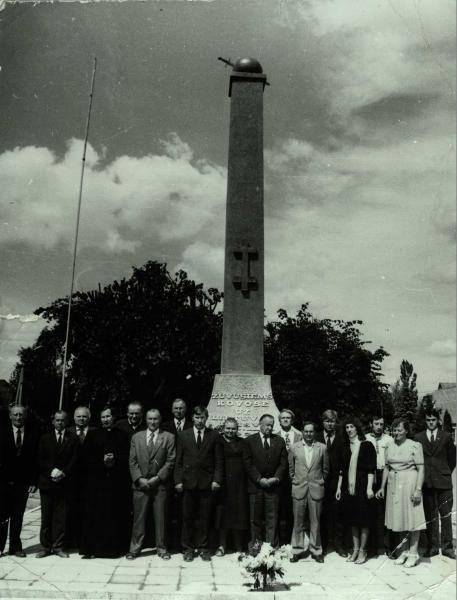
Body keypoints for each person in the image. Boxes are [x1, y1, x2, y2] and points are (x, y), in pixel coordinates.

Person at [78, 406, 130, 558]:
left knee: (113, 516)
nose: (106, 420)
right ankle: (92, 550)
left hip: (115, 482)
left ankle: (112, 550)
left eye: (108, 417)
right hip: (97, 482)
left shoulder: (122, 435)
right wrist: (102, 461)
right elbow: (85, 457)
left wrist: (114, 460)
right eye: (103, 417)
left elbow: (127, 456)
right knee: (95, 516)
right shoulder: (93, 434)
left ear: (113, 418)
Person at [174, 405, 223, 561]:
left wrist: (216, 480)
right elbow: (178, 462)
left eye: (202, 417)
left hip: (207, 483)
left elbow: (218, 461)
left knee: (205, 517)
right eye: (197, 417)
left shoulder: (214, 435)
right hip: (188, 483)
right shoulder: (183, 435)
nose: (200, 420)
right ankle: (187, 548)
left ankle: (203, 548)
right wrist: (178, 481)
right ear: (192, 418)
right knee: (187, 517)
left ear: (206, 418)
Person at [376, 418, 426, 568]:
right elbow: (386, 467)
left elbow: (421, 469)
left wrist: (418, 489)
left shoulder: (414, 446)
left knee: (413, 518)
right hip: (393, 485)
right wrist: (382, 487)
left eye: (399, 429)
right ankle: (403, 551)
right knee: (399, 518)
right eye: (394, 430)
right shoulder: (389, 446)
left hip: (409, 483)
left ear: (406, 431)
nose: (396, 432)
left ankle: (413, 553)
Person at [127, 409, 176, 560]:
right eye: (150, 419)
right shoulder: (137, 437)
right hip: (140, 485)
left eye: (155, 419)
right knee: (139, 519)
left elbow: (170, 461)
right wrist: (139, 479)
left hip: (159, 485)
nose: (153, 422)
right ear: (146, 420)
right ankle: (135, 549)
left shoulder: (168, 437)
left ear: (160, 420)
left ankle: (161, 548)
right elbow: (132, 461)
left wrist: (158, 478)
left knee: (160, 519)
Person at [36, 411, 79, 558]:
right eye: (57, 420)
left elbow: (74, 459)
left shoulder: (72, 438)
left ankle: (58, 546)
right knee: (46, 516)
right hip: (47, 483)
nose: (60, 423)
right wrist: (52, 471)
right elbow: (40, 459)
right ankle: (45, 547)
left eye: (62, 420)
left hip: (64, 483)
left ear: (66, 422)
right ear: (52, 421)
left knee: (61, 517)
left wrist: (63, 472)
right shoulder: (44, 438)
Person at [415, 410, 456, 559]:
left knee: (445, 515)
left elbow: (453, 458)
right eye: (428, 420)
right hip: (427, 482)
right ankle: (432, 547)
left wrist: (444, 472)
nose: (431, 422)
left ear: (438, 420)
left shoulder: (445, 436)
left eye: (433, 420)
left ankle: (447, 548)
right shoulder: (418, 437)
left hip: (444, 483)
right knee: (430, 515)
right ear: (425, 421)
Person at [0, 406, 40, 557]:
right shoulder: (2, 432)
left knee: (18, 516)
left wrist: (33, 481)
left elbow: (35, 460)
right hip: (3, 482)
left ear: (25, 416)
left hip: (22, 483)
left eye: (21, 415)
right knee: (2, 516)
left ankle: (15, 547)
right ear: (10, 416)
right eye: (15, 414)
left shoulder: (33, 434)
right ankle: (0, 546)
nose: (18, 417)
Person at [336, 416, 376, 565]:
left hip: (363, 485)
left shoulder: (366, 445)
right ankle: (355, 549)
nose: (349, 430)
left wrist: (370, 487)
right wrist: (339, 488)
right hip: (349, 487)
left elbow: (371, 469)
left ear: (357, 428)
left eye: (351, 426)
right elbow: (342, 469)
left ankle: (363, 551)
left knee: (364, 519)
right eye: (346, 427)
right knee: (353, 520)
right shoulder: (345, 447)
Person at [243, 414, 288, 548]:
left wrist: (276, 478)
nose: (270, 428)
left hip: (273, 486)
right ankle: (256, 546)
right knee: (255, 519)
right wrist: (259, 479)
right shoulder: (249, 441)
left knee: (272, 518)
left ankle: (271, 547)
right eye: (267, 425)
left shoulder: (279, 441)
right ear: (260, 424)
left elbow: (283, 463)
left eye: (272, 425)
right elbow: (247, 463)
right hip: (255, 486)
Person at [289, 422, 328, 563]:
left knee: (315, 522)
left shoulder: (322, 448)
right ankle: (297, 549)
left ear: (314, 432)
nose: (308, 434)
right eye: (306, 431)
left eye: (311, 431)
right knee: (298, 522)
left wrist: (319, 481)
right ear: (302, 432)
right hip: (299, 488)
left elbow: (325, 469)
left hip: (316, 489)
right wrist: (296, 480)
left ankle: (316, 550)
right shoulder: (294, 448)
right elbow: (291, 468)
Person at [214, 418, 249, 556]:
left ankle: (238, 546)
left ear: (237, 429)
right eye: (228, 428)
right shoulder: (218, 442)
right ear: (223, 428)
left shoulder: (242, 442)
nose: (230, 431)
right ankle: (222, 546)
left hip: (239, 484)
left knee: (239, 515)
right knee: (223, 515)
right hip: (223, 484)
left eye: (233, 428)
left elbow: (246, 462)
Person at [162, 397, 193, 551]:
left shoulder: (192, 425)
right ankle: (170, 544)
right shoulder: (165, 427)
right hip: (167, 475)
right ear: (172, 410)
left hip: (186, 476)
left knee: (185, 512)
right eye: (176, 408)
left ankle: (185, 544)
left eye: (181, 408)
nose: (179, 411)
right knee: (168, 511)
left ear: (185, 409)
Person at [316, 409, 346, 556]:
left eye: (332, 421)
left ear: (336, 422)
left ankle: (339, 545)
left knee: (338, 515)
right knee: (321, 515)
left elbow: (344, 462)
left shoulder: (342, 438)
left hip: (337, 483)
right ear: (323, 422)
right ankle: (323, 545)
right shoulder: (315, 437)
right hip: (319, 483)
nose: (330, 423)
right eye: (327, 421)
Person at [66, 406, 97, 550]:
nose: (81, 419)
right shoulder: (68, 432)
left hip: (90, 478)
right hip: (71, 478)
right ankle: (70, 541)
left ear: (89, 418)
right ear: (74, 418)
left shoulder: (95, 432)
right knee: (71, 509)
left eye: (84, 416)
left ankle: (85, 541)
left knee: (87, 510)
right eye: (78, 416)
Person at [366, 415, 394, 557]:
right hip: (370, 476)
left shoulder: (389, 439)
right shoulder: (365, 438)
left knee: (385, 512)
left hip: (385, 475)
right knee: (371, 511)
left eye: (381, 424)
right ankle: (372, 547)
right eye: (376, 423)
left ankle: (388, 546)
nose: (379, 426)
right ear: (371, 424)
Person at [276, 409, 303, 546]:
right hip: (280, 478)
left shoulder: (299, 435)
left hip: (296, 476)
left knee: (295, 509)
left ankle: (295, 539)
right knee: (281, 509)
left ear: (292, 420)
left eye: (288, 418)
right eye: (283, 418)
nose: (285, 420)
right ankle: (282, 540)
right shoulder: (275, 435)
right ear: (279, 420)